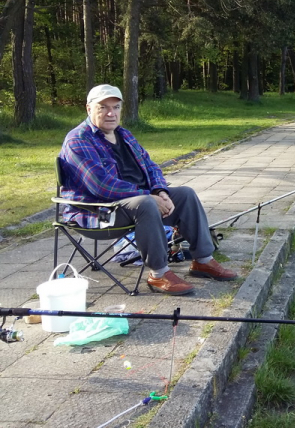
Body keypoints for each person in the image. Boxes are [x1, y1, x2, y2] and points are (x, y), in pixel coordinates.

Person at [59, 84, 237, 295]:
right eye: (103, 107)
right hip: (98, 211)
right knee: (145, 204)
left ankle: (203, 261)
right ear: (89, 109)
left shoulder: (124, 135)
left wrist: (160, 191)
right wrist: (148, 196)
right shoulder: (78, 140)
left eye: (116, 107)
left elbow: (151, 166)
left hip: (136, 203)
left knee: (185, 194)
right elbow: (101, 186)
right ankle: (159, 274)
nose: (111, 113)